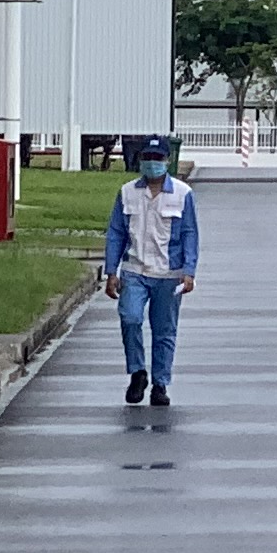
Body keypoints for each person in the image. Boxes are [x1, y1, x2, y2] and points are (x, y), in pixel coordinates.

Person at [103, 137, 201, 405]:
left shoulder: (182, 194)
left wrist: (189, 271)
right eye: (148, 158)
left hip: (169, 274)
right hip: (135, 270)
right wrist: (111, 271)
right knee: (130, 318)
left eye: (158, 158)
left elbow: (191, 233)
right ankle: (137, 372)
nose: (152, 163)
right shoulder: (127, 192)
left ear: (167, 161)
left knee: (164, 331)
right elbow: (116, 232)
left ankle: (160, 383)